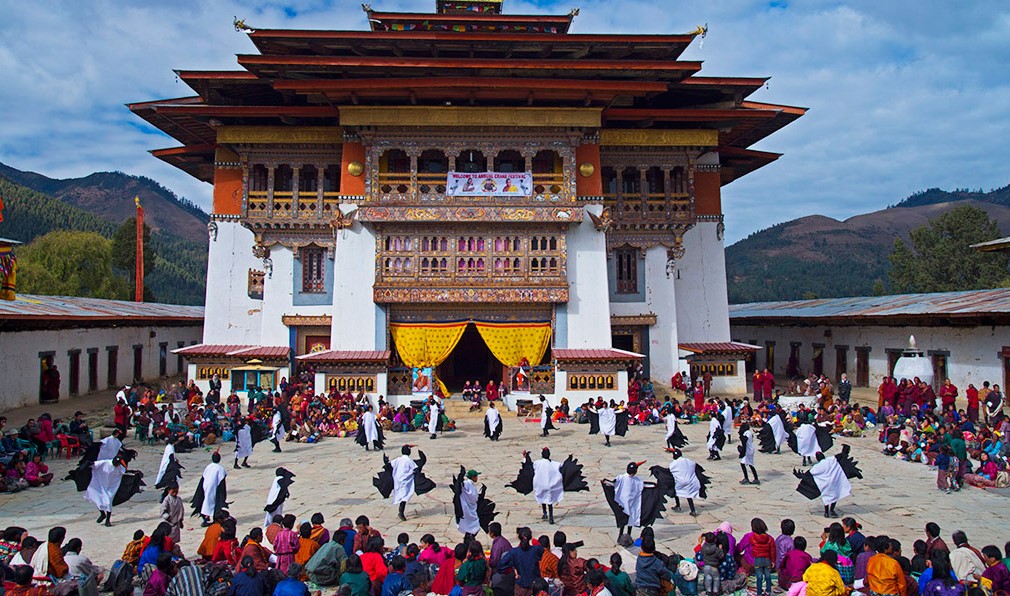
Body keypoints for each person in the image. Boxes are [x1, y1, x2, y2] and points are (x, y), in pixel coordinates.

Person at [613, 461, 645, 545]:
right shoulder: (632, 479)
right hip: (627, 504)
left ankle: (623, 536)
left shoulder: (623, 478)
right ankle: (624, 536)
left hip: (628, 504)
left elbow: (613, 483)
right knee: (628, 520)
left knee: (628, 520)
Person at [192, 451, 228, 526]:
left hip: (206, 485)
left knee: (206, 501)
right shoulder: (220, 468)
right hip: (214, 487)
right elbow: (222, 479)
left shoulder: (208, 466)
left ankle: (206, 518)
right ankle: (210, 519)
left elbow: (203, 476)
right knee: (213, 503)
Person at [738, 420, 759, 485]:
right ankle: (748, 478)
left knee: (750, 464)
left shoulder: (748, 433)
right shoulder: (746, 432)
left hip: (749, 451)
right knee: (745, 464)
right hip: (748, 450)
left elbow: (745, 440)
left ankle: (755, 479)